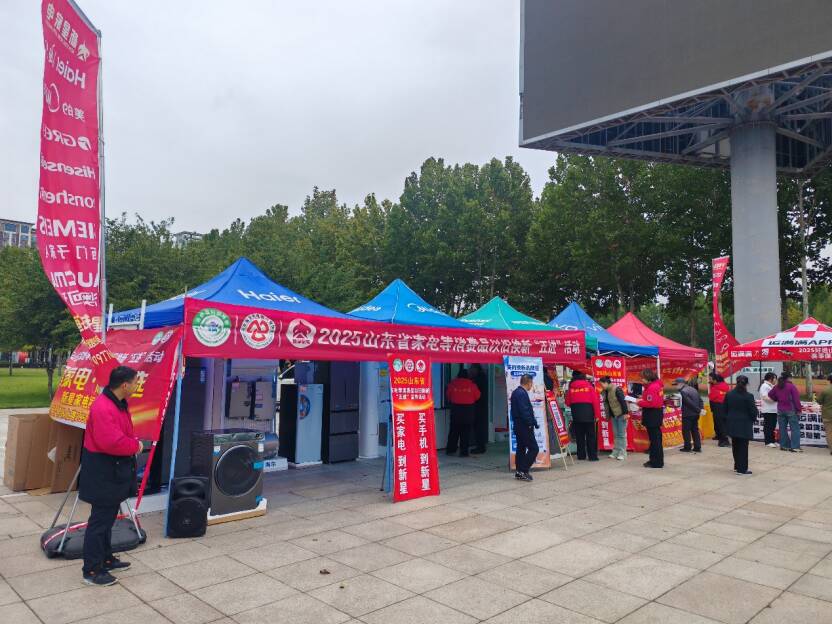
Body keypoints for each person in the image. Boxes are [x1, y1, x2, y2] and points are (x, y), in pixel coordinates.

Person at [80, 366, 143, 587]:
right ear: (125, 385)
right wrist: (135, 446)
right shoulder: (103, 407)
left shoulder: (118, 403)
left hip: (113, 470)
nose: (137, 386)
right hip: (103, 472)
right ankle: (92, 570)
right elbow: (111, 442)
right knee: (99, 522)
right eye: (135, 382)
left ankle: (106, 558)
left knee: (107, 520)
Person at [724, 375, 759, 475]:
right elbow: (753, 411)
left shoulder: (729, 394)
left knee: (735, 445)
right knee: (743, 447)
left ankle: (737, 466)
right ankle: (742, 469)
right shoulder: (748, 396)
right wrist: (753, 419)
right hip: (744, 424)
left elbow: (724, 409)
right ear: (747, 384)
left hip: (732, 423)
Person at [565, 371, 600, 461]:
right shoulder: (589, 387)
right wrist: (597, 415)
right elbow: (595, 402)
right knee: (590, 436)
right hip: (589, 415)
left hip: (576, 415)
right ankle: (592, 456)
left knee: (579, 436)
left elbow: (567, 403)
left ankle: (581, 455)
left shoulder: (571, 388)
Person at [445, 368, 481, 457]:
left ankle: (450, 450)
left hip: (456, 410)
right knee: (465, 433)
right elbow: (477, 396)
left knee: (454, 432)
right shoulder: (472, 385)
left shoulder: (453, 384)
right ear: (467, 376)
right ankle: (464, 452)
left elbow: (448, 395)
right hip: (468, 411)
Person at [510, 374, 539, 481]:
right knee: (534, 448)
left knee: (521, 448)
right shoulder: (521, 393)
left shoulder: (516, 392)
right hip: (524, 426)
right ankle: (523, 470)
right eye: (531, 383)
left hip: (519, 425)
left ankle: (519, 472)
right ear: (529, 382)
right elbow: (525, 411)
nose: (532, 385)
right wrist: (531, 423)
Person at [768, 372, 803, 452]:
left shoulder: (777, 386)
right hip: (791, 410)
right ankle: (795, 447)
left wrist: (777, 399)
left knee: (782, 429)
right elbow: (796, 399)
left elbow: (770, 394)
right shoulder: (791, 386)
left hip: (780, 410)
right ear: (789, 378)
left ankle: (784, 445)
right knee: (795, 429)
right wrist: (799, 409)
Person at [638, 368, 665, 468]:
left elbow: (651, 403)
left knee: (655, 440)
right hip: (655, 414)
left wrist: (639, 402)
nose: (642, 380)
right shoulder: (656, 386)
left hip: (652, 415)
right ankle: (655, 460)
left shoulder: (652, 387)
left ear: (648, 378)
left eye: (643, 378)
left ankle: (656, 462)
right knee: (655, 439)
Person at [599, 377, 628, 460]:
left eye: (602, 384)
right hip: (613, 416)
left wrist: (626, 413)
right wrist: (607, 415)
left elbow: (623, 401)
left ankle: (622, 453)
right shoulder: (605, 391)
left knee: (621, 435)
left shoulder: (617, 389)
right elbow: (606, 404)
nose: (601, 386)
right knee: (616, 434)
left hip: (621, 414)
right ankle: (616, 451)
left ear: (606, 382)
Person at [675, 377, 704, 453]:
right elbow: (700, 400)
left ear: (681, 384)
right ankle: (697, 447)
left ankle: (687, 447)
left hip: (688, 414)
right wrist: (701, 409)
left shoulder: (683, 391)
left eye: (676, 384)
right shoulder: (693, 389)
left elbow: (689, 403)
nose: (676, 386)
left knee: (686, 431)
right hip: (695, 414)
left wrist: (698, 410)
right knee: (695, 430)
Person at [468, 363, 489, 454]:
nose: (470, 371)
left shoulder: (478, 379)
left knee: (479, 427)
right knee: (479, 427)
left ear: (476, 369)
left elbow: (476, 394)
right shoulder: (481, 377)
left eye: (472, 369)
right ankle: (480, 446)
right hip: (480, 406)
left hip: (479, 406)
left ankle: (480, 447)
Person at [709, 373, 731, 447]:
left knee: (720, 424)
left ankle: (724, 441)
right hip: (725, 406)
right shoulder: (726, 386)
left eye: (711, 379)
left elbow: (712, 397)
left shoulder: (715, 387)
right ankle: (722, 438)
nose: (710, 380)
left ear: (715, 380)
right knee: (723, 423)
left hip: (718, 407)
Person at [758, 372, 779, 447]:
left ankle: (772, 440)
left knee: (772, 426)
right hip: (768, 409)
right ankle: (768, 441)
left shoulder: (771, 386)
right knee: (768, 426)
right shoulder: (764, 386)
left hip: (773, 409)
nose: (776, 380)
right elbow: (765, 397)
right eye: (775, 378)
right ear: (770, 379)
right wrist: (775, 399)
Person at [818, 374, 832, 455]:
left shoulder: (825, 390)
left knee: (829, 433)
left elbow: (819, 401)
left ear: (829, 380)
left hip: (827, 415)